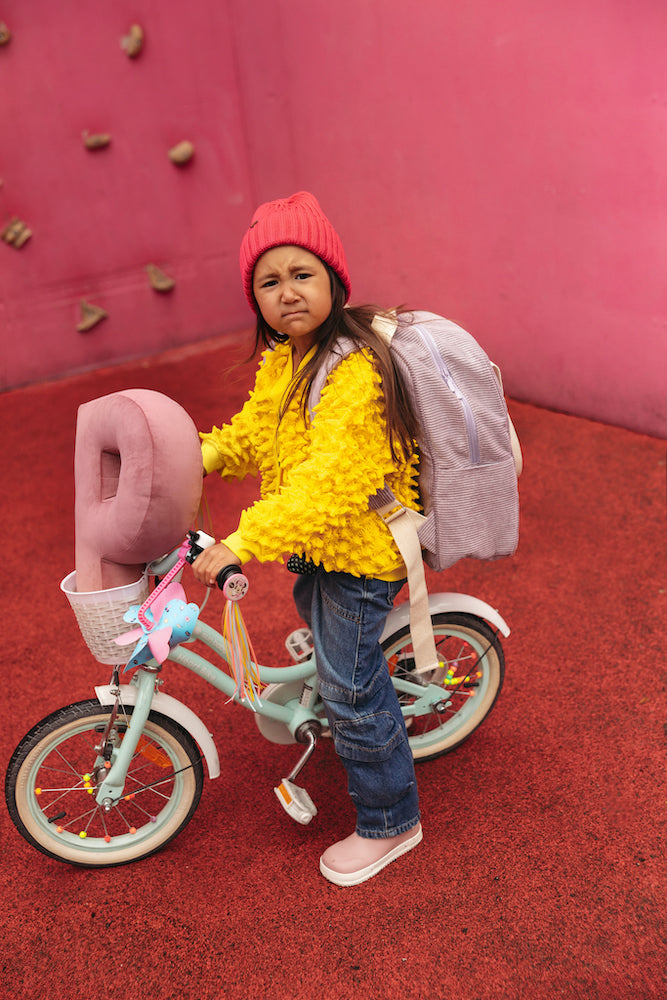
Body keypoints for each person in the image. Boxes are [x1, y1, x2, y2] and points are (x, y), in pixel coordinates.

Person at [192, 191, 423, 886]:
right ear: (254, 299)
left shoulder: (353, 370)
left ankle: (391, 821)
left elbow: (328, 485)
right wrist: (184, 458)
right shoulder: (284, 361)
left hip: (361, 550)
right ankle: (338, 660)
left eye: (302, 274)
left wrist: (243, 537)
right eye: (269, 281)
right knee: (315, 613)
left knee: (349, 689)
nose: (286, 292)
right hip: (320, 546)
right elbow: (251, 433)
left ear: (334, 281)